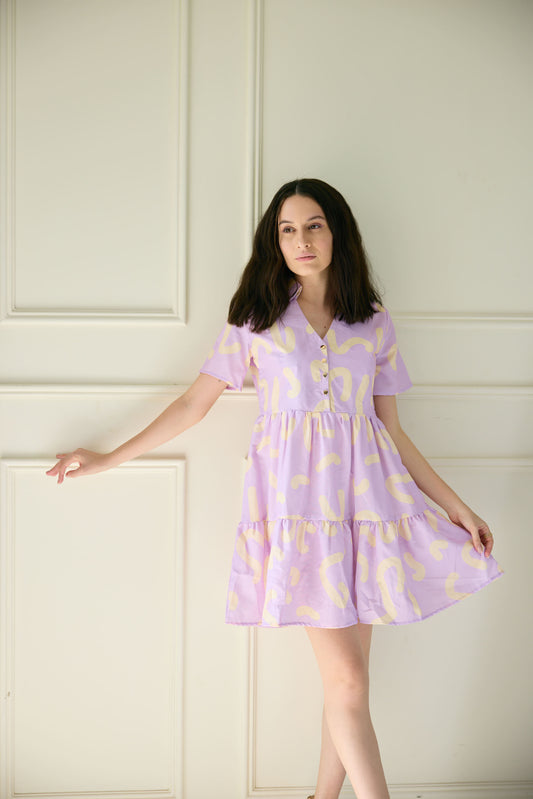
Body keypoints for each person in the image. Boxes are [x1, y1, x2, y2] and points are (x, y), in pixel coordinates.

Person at [46, 177, 504, 799]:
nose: (301, 240)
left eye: (313, 225)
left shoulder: (372, 321)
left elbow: (393, 432)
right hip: (300, 515)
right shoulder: (257, 318)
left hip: (366, 513)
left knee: (350, 683)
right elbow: (193, 405)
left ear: (337, 233)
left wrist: (457, 509)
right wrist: (107, 459)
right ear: (275, 241)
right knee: (348, 682)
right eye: (288, 230)